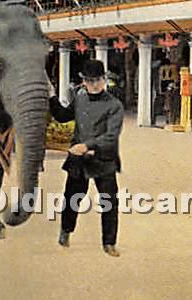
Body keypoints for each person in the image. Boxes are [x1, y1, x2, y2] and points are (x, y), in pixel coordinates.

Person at [49, 59, 124, 257]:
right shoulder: (80, 97)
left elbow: (111, 136)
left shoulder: (114, 105)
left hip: (103, 159)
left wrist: (87, 146)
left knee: (109, 202)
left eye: (98, 80)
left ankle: (109, 242)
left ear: (104, 79)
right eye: (90, 81)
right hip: (79, 160)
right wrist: (50, 97)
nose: (94, 85)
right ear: (83, 81)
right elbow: (63, 116)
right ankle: (65, 231)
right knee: (72, 198)